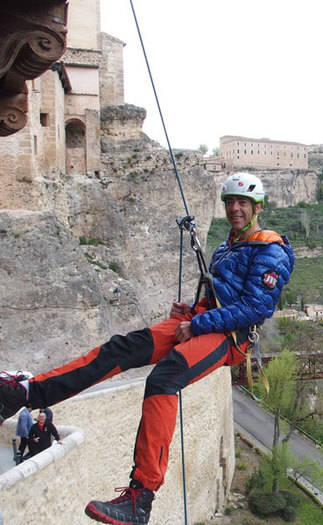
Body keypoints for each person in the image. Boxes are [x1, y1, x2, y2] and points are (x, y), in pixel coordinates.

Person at [0, 172, 294, 525]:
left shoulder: (270, 249)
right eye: (230, 202)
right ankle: (25, 394)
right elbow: (220, 296)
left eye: (242, 203)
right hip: (205, 322)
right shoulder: (227, 246)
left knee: (163, 378)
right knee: (121, 348)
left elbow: (256, 307)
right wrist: (189, 312)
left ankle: (142, 497)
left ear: (256, 207)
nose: (235, 209)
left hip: (231, 337)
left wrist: (198, 323)